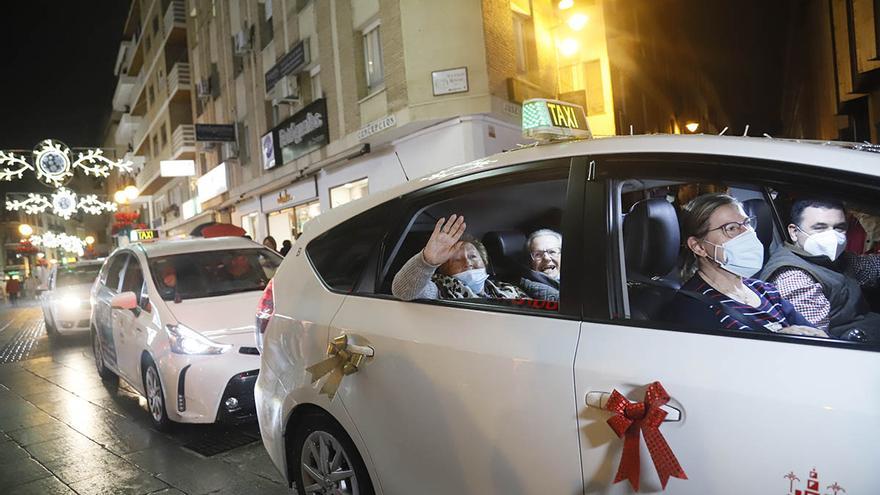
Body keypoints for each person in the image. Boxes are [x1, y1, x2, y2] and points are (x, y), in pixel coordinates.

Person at [663, 193, 826, 337]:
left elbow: (815, 338)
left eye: (746, 223)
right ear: (699, 247)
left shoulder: (765, 290)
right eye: (731, 228)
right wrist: (776, 341)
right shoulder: (693, 307)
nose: (747, 233)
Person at [759, 198, 880, 340]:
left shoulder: (828, 259)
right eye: (820, 228)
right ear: (794, 232)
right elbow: (817, 343)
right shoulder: (794, 278)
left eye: (839, 228)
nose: (832, 237)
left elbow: (868, 267)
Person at [392, 214, 528, 300]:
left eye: (473, 256)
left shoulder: (507, 289)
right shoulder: (441, 290)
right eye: (457, 260)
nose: (468, 262)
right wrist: (427, 261)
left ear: (485, 262)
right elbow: (402, 291)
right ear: (444, 271)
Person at [519, 229, 561, 301]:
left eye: (552, 252)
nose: (546, 258)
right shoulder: (529, 288)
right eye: (538, 254)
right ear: (529, 261)